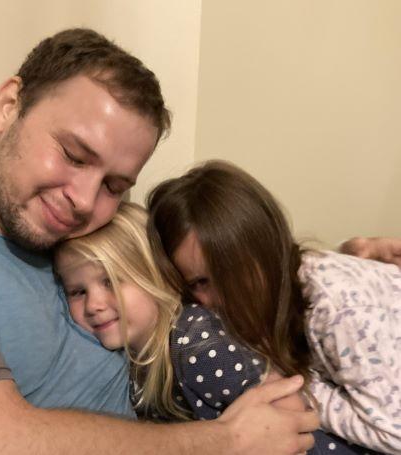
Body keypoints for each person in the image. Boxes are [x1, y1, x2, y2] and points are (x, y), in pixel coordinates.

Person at [0, 29, 318, 454]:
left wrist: (329, 264)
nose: (84, 201)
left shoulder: (75, 240)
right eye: (73, 154)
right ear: (8, 106)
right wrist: (225, 441)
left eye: (115, 185)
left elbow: (212, 267)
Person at [55, 201, 377, 455]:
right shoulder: (132, 358)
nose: (94, 304)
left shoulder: (194, 340)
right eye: (77, 291)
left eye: (111, 281)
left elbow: (288, 405)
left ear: (152, 277)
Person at [146, 160, 401, 454]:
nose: (228, 295)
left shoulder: (332, 305)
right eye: (201, 282)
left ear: (268, 245)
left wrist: (303, 386)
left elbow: (391, 433)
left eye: (235, 270)